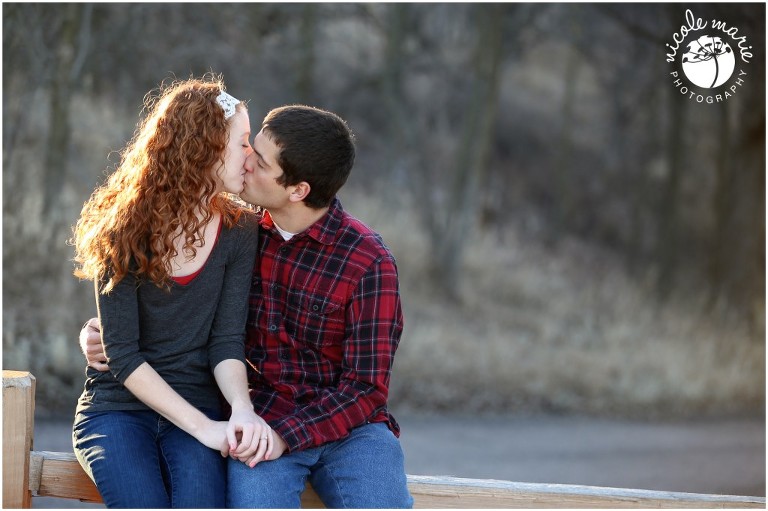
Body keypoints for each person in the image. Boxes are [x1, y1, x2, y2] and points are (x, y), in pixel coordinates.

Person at [81, 104, 413, 508]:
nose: (246, 161)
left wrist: (285, 434)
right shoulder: (246, 231)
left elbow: (366, 387)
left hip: (348, 427)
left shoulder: (367, 262)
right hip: (262, 417)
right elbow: (173, 305)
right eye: (247, 147)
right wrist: (102, 331)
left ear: (298, 190)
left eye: (259, 159)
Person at [71, 76, 273, 508]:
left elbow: (225, 342)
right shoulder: (123, 227)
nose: (250, 155)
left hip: (200, 403)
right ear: (204, 147)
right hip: (119, 409)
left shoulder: (241, 230)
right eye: (241, 143)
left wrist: (241, 409)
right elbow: (122, 355)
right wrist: (205, 429)